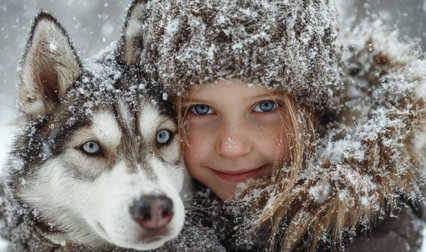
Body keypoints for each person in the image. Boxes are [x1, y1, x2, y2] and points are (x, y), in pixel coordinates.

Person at [137, 0, 426, 250]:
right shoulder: (135, 215)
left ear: (316, 112)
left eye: (265, 106)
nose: (232, 147)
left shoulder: (374, 232)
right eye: (201, 110)